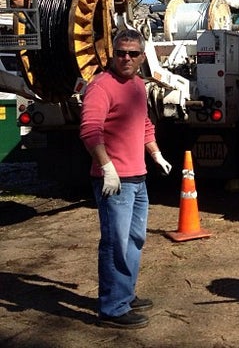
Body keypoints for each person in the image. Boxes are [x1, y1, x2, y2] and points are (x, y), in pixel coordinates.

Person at [80, 28, 173, 329]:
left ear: (142, 57)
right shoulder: (100, 87)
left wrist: (156, 154)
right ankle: (112, 309)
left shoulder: (136, 86)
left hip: (138, 178)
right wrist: (107, 168)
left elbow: (144, 123)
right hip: (115, 182)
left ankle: (125, 294)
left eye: (133, 54)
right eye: (121, 53)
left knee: (135, 239)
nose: (126, 58)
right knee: (115, 243)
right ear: (113, 54)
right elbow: (90, 130)